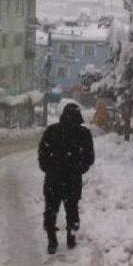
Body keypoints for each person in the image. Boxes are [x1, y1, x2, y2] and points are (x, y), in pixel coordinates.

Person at [38, 102, 95, 254]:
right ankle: (71, 237)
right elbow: (89, 157)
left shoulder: (52, 131)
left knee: (51, 210)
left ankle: (52, 240)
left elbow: (42, 153)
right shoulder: (84, 134)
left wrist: (48, 167)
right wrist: (79, 169)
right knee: (72, 209)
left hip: (53, 179)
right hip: (72, 179)